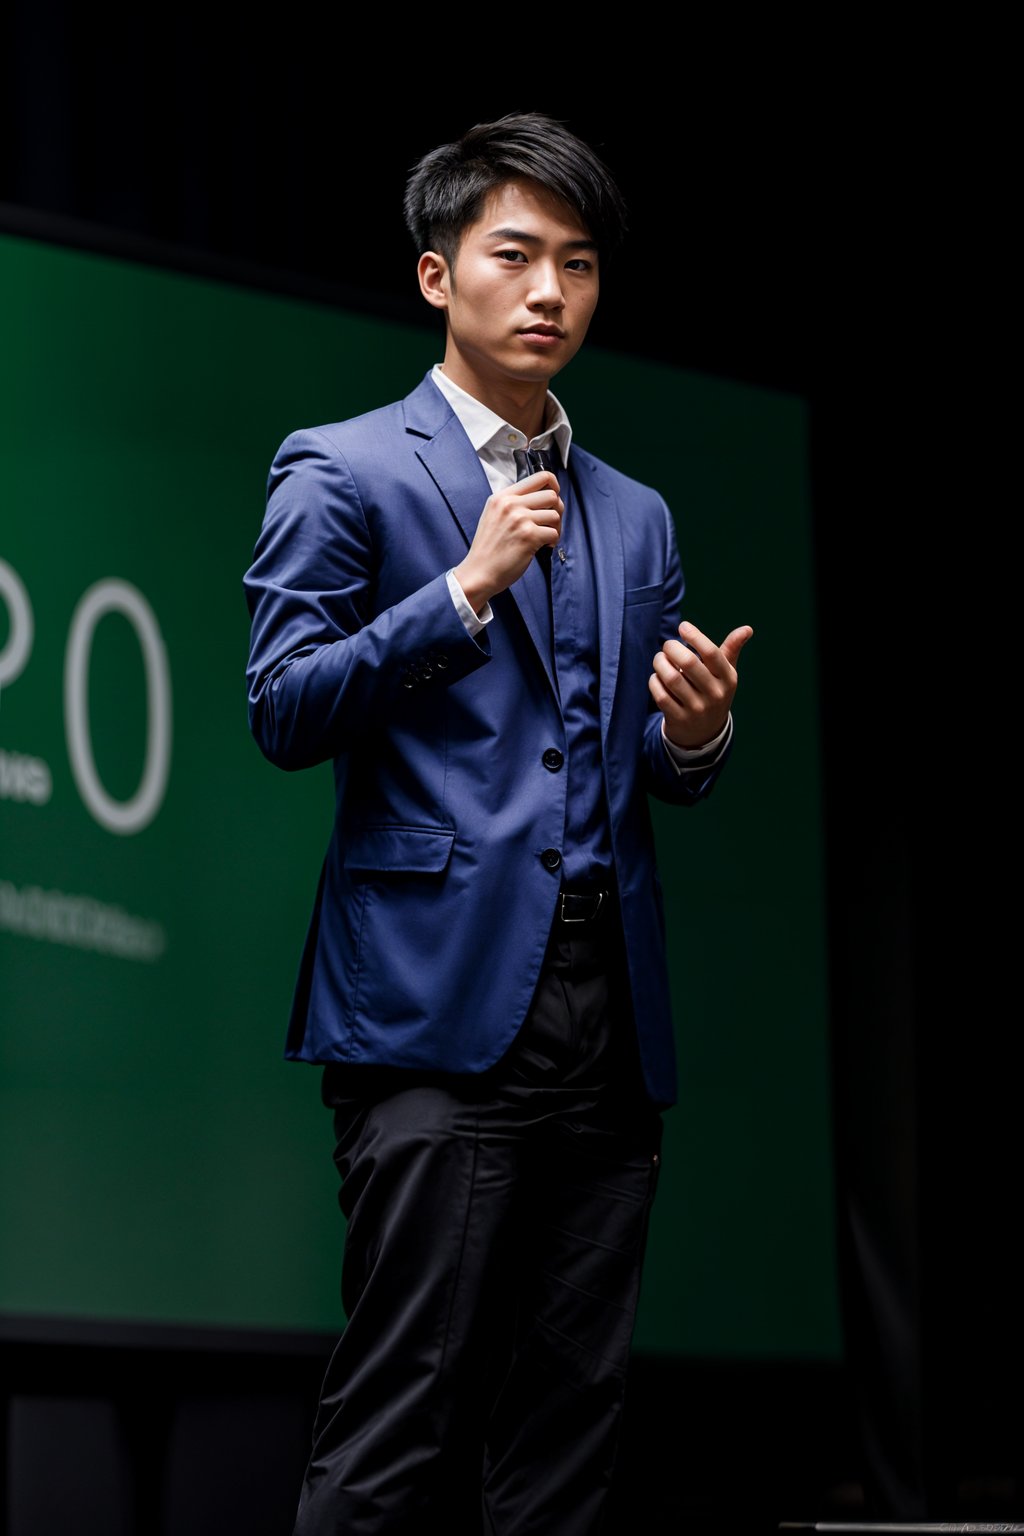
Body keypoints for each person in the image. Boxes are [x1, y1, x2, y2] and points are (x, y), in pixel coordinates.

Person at [244, 110, 752, 1536]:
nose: (549, 292)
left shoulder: (635, 513)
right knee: (405, 1410)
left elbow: (637, 759)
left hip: (608, 1015)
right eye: (515, 255)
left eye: (578, 265)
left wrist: (698, 731)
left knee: (568, 1431)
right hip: (430, 1009)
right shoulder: (343, 468)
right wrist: (459, 591)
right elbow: (282, 708)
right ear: (435, 277)